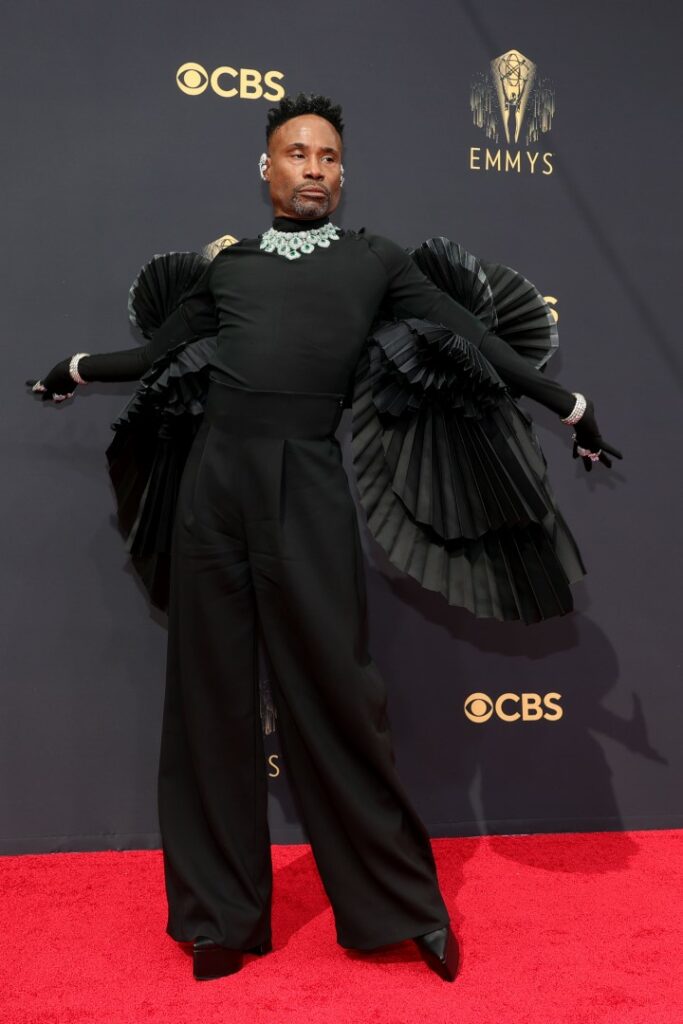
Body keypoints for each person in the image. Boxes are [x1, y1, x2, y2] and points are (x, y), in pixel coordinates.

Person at [27, 92, 621, 983]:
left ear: (343, 174)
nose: (315, 169)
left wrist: (564, 404)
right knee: (209, 698)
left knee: (341, 695)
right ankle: (220, 919)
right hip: (211, 490)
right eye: (298, 154)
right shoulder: (226, 268)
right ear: (265, 169)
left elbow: (465, 336)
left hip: (304, 486)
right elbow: (159, 356)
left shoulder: (376, 260)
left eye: (329, 157)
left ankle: (395, 908)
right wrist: (74, 368)